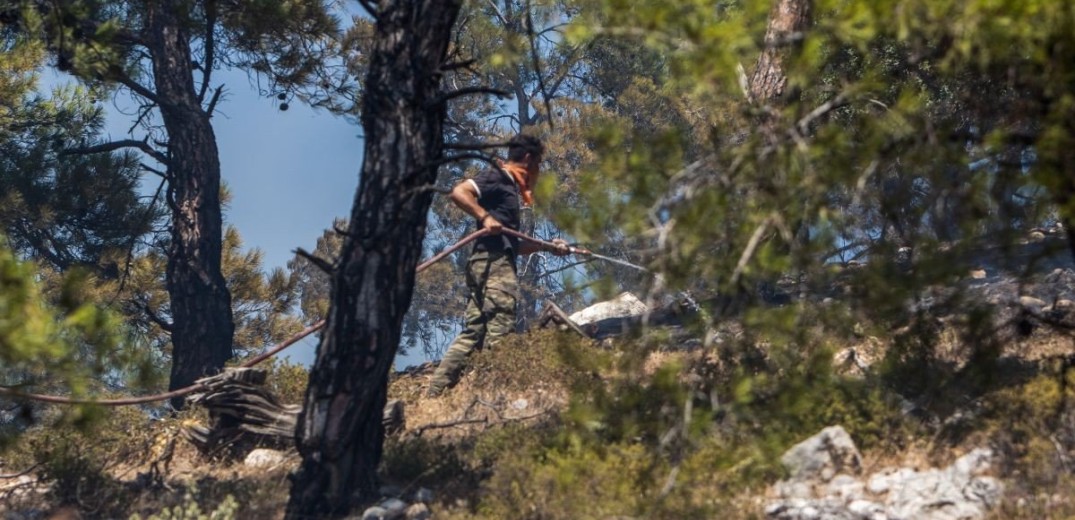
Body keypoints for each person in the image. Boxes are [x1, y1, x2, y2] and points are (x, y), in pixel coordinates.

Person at [426, 134, 570, 397]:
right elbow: (459, 192)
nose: (538, 172)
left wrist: (548, 246)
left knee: (475, 332)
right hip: (493, 264)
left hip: (488, 261)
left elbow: (514, 244)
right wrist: (484, 216)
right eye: (538, 164)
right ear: (528, 159)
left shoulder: (509, 190)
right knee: (501, 323)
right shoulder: (499, 177)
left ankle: (435, 393)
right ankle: (496, 393)